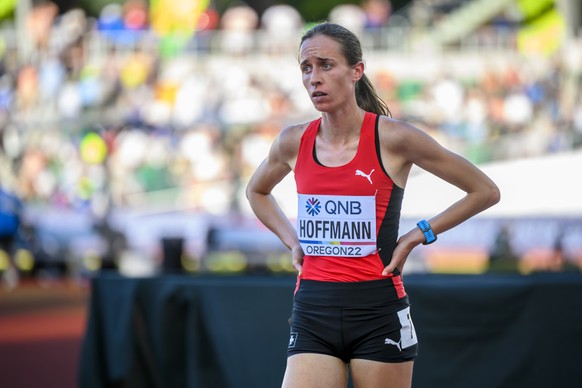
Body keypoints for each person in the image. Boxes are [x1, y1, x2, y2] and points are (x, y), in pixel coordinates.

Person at [246, 22, 500, 388]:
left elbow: (484, 190)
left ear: (356, 71)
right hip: (314, 308)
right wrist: (292, 241)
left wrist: (418, 235)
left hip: (378, 310)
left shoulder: (395, 138)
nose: (314, 78)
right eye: (306, 68)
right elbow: (257, 192)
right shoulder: (292, 142)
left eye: (326, 65)